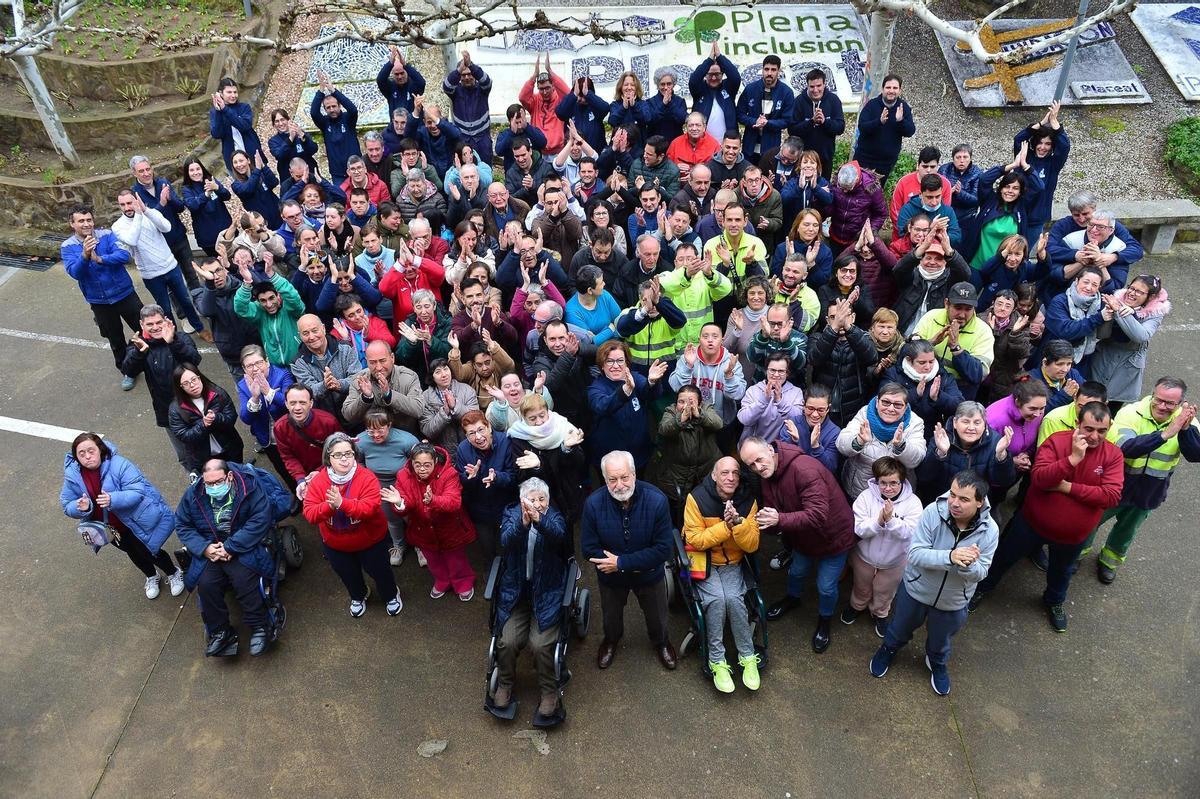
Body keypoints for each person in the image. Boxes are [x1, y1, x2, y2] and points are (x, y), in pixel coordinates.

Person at [969, 403, 1123, 632]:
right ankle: (983, 587)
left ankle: (1054, 601)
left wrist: (1066, 487)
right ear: (1077, 424)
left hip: (1073, 535)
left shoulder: (1113, 455)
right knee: (1003, 558)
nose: (1094, 436)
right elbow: (1040, 478)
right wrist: (1072, 460)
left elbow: (1111, 496)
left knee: (1062, 571)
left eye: (1101, 431)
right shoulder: (1057, 441)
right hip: (1031, 524)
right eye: (1089, 429)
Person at [869, 471, 997, 695]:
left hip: (953, 601)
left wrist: (967, 564)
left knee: (941, 640)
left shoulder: (990, 531)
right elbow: (915, 554)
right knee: (898, 628)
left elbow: (982, 572)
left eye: (964, 499)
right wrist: (951, 557)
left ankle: (936, 662)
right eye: (953, 495)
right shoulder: (932, 512)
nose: (954, 503)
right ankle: (888, 649)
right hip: (917, 591)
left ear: (980, 502)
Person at [741, 436, 856, 653]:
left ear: (769, 449)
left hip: (834, 537)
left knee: (825, 586)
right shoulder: (768, 473)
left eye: (759, 460)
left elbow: (818, 515)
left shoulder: (804, 469)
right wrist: (764, 522)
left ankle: (825, 621)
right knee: (796, 572)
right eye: (751, 465)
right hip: (803, 537)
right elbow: (775, 510)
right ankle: (793, 599)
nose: (758, 467)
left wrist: (779, 520)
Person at [1081, 377, 1200, 584]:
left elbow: (1195, 454)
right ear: (1153, 395)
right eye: (1159, 399)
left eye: (1170, 403)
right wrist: (1164, 434)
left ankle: (1109, 561)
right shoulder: (1131, 413)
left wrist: (1185, 430)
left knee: (1127, 531)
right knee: (1090, 522)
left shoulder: (1189, 421)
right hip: (1116, 485)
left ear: (1181, 404)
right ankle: (1078, 553)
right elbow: (1126, 448)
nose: (1162, 406)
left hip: (1149, 491)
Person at [582, 450, 676, 671]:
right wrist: (614, 566)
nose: (619, 484)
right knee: (610, 617)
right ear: (604, 480)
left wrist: (622, 563)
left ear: (634, 474)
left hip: (649, 575)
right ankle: (611, 641)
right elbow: (588, 549)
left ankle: (661, 643)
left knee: (658, 617)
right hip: (610, 577)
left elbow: (663, 549)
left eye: (624, 477)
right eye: (612, 479)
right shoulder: (593, 504)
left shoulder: (657, 500)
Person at [61, 433, 183, 600]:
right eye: (81, 454)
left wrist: (113, 499)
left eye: (91, 451)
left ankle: (173, 572)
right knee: (131, 552)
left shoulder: (119, 465)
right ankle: (151, 576)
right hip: (110, 528)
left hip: (133, 521)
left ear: (100, 449)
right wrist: (80, 507)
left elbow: (138, 491)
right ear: (76, 457)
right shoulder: (73, 476)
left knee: (148, 551)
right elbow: (67, 503)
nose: (87, 456)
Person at [175, 458, 277, 657]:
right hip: (211, 547)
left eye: (217, 482)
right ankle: (221, 631)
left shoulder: (250, 489)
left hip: (242, 545)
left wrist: (231, 546)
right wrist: (205, 548)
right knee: (205, 584)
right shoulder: (193, 494)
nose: (212, 487)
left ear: (229, 476)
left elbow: (260, 519)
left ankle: (259, 625)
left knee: (244, 580)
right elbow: (183, 525)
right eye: (208, 484)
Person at [491, 476, 572, 718]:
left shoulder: (554, 517)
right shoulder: (510, 514)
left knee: (540, 645)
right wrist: (524, 523)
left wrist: (541, 521)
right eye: (531, 499)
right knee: (507, 641)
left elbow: (560, 537)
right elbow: (505, 542)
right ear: (521, 500)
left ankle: (549, 692)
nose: (537, 504)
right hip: (516, 591)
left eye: (541, 499)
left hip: (547, 592)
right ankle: (505, 683)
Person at [682, 456, 763, 692]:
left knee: (735, 600)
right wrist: (725, 527)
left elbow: (753, 544)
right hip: (704, 561)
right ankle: (717, 659)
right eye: (724, 473)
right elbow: (695, 540)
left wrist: (738, 522)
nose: (730, 478)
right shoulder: (696, 498)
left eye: (735, 473)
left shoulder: (748, 501)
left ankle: (747, 657)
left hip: (734, 562)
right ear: (714, 476)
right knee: (717, 600)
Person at [301, 432, 403, 618]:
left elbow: (370, 508)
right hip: (335, 544)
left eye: (348, 453)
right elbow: (310, 514)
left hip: (370, 541)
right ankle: (359, 595)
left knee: (380, 571)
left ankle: (390, 595)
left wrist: (342, 504)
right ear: (328, 457)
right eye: (337, 455)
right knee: (348, 574)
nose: (344, 459)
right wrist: (329, 506)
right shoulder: (319, 481)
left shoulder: (367, 477)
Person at [62, 204, 145, 388]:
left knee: (145, 328)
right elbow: (75, 273)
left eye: (89, 220)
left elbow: (124, 255)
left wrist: (100, 259)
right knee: (115, 340)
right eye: (81, 221)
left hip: (124, 294)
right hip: (99, 302)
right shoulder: (67, 247)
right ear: (72, 224)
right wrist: (84, 256)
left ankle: (159, 360)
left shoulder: (106, 235)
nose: (86, 224)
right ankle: (128, 371)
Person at [387, 442, 478, 600]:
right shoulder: (403, 475)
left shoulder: (449, 473)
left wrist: (433, 500)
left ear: (435, 461)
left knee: (455, 558)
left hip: (450, 527)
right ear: (411, 462)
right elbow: (406, 503)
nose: (422, 469)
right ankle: (442, 580)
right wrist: (399, 502)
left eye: (427, 465)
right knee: (432, 559)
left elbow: (453, 502)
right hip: (421, 528)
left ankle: (463, 581)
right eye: (418, 464)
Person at [112, 189, 208, 339]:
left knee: (186, 301)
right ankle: (173, 337)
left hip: (171, 268)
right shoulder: (118, 226)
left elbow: (167, 227)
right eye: (122, 204)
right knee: (164, 310)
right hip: (151, 276)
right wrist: (138, 215)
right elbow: (132, 239)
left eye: (130, 203)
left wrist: (146, 211)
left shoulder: (150, 213)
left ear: (136, 201)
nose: (126, 208)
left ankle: (200, 328)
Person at [846, 456, 923, 637]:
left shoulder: (913, 503)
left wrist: (891, 521)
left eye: (894, 483)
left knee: (885, 591)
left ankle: (880, 613)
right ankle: (857, 606)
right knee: (861, 586)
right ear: (876, 480)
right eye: (883, 483)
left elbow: (911, 533)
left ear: (903, 481)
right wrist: (879, 521)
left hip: (895, 561)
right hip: (864, 556)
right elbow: (858, 528)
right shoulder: (865, 498)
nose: (888, 488)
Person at [122, 305, 203, 470]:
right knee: (184, 456)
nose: (155, 327)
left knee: (209, 446)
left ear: (166, 321)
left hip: (195, 404)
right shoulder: (138, 346)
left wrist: (172, 342)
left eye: (159, 322)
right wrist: (139, 353)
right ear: (141, 324)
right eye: (150, 324)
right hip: (166, 409)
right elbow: (128, 370)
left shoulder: (180, 338)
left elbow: (194, 360)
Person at [1090, 275, 1170, 409]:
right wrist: (1108, 315)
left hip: (1126, 368)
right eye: (1131, 288)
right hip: (1103, 361)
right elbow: (1102, 335)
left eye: (1139, 292)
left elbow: (1141, 336)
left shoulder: (1155, 312)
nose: (1132, 293)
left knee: (1111, 410)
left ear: (1150, 297)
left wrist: (1121, 312)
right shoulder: (1116, 300)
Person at [507, 392, 588, 524]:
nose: (539, 422)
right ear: (524, 418)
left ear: (548, 412)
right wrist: (537, 467)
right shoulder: (518, 438)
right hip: (540, 502)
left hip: (568, 493)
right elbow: (520, 476)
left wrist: (567, 450)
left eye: (542, 416)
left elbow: (580, 462)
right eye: (532, 419)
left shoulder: (562, 427)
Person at [836, 382, 927, 500]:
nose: (890, 408)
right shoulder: (865, 413)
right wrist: (859, 441)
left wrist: (901, 445)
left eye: (898, 405)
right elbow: (841, 443)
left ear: (905, 407)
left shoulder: (915, 423)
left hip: (897, 494)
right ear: (877, 402)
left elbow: (916, 459)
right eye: (886, 402)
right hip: (861, 490)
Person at [587, 340, 667, 469]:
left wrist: (652, 381)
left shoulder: (634, 377)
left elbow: (651, 394)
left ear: (627, 363)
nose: (615, 365)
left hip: (639, 455)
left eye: (620, 360)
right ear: (602, 365)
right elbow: (602, 406)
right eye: (609, 361)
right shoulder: (596, 388)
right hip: (610, 460)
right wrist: (624, 391)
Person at [961, 146, 1043, 268]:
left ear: (1020, 192)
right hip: (977, 264)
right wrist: (1013, 165)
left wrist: (1025, 165)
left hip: (1004, 268)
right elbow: (984, 179)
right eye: (1007, 186)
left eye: (1015, 188)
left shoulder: (1022, 206)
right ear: (1001, 188)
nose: (1010, 191)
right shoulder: (990, 200)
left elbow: (1039, 187)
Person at [355, 408, 419, 566]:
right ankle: (398, 545)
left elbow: (418, 462)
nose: (375, 435)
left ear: (389, 425)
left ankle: (420, 544)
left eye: (380, 430)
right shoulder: (360, 441)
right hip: (379, 485)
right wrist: (370, 481)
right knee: (390, 517)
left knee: (412, 516)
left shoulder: (406, 440)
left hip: (404, 483)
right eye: (371, 431)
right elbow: (358, 462)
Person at [912, 281, 996, 401]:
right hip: (923, 385)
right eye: (957, 308)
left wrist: (956, 349)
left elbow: (978, 375)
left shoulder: (983, 331)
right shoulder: (931, 317)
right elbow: (907, 352)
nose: (962, 315)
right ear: (946, 304)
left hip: (959, 393)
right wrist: (930, 344)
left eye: (968, 309)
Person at [919, 401, 1016, 503]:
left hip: (976, 503)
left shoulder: (995, 442)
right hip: (941, 500)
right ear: (955, 423)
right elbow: (924, 476)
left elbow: (1004, 481)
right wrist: (940, 453)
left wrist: (1001, 456)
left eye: (977, 423)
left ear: (984, 424)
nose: (971, 428)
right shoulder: (941, 438)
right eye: (965, 422)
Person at [654, 385, 724, 525]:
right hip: (677, 474)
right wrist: (680, 419)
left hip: (705, 471)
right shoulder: (671, 412)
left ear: (699, 403)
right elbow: (664, 429)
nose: (685, 405)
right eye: (681, 402)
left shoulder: (706, 409)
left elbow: (718, 424)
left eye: (691, 401)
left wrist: (700, 416)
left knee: (704, 507)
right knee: (677, 511)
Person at [129, 155, 200, 289]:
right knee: (172, 283)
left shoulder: (163, 183)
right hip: (160, 245)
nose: (146, 173)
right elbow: (146, 222)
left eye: (148, 169)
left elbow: (180, 208)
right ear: (134, 173)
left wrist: (170, 199)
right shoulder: (135, 194)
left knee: (192, 273)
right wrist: (161, 203)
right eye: (141, 171)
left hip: (179, 238)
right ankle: (181, 309)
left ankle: (201, 303)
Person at [808, 294, 879, 428]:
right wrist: (833, 329)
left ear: (853, 317)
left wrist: (848, 328)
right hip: (823, 405)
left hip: (853, 404)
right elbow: (814, 359)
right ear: (827, 320)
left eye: (844, 316)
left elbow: (871, 358)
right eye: (833, 317)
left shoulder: (863, 336)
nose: (839, 320)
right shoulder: (817, 338)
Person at [455, 411, 518, 563]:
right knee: (487, 547)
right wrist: (471, 477)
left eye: (480, 430)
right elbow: (461, 482)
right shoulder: (463, 450)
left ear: (489, 427)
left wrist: (497, 477)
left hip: (506, 505)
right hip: (480, 508)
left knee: (511, 545)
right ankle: (491, 570)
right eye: (471, 433)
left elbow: (514, 477)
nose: (478, 437)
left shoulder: (505, 442)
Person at [236, 344, 296, 490]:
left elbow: (291, 404)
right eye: (249, 366)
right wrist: (255, 398)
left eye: (258, 363)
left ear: (267, 361)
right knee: (281, 468)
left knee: (299, 464)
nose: (255, 369)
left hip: (291, 432)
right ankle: (295, 494)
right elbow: (246, 418)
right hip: (267, 437)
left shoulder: (283, 375)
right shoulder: (243, 385)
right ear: (244, 369)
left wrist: (269, 392)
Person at [168, 364, 244, 476]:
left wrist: (216, 418)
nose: (192, 385)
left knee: (238, 478)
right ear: (180, 387)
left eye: (194, 379)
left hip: (230, 449)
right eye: (186, 383)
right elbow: (183, 436)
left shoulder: (218, 394)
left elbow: (231, 418)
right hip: (202, 458)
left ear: (199, 377)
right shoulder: (175, 409)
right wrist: (203, 425)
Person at [232, 255, 306, 366]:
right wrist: (247, 282)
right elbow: (240, 308)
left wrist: (271, 273)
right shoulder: (259, 312)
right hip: (276, 367)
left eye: (272, 298)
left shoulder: (290, 308)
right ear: (258, 301)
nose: (269, 304)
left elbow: (293, 297)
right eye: (263, 300)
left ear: (278, 295)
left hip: (300, 364)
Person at [1013, 101, 1070, 244]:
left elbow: (1065, 146)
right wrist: (1042, 122)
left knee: (1023, 253)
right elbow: (1019, 139)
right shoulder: (1025, 155)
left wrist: (1054, 122)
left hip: (1036, 219)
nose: (1043, 147)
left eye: (1048, 144)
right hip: (1015, 215)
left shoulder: (1053, 163)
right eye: (1040, 142)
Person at [883, 338, 964, 438]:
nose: (928, 367)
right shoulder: (893, 374)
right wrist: (914, 394)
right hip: (898, 431)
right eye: (922, 363)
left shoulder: (943, 376)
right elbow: (883, 403)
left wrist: (938, 397)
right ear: (909, 360)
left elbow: (959, 407)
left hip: (932, 435)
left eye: (931, 362)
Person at [275, 384, 342, 500]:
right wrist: (300, 478)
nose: (297, 407)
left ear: (311, 403)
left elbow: (341, 451)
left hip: (332, 472)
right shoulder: (280, 427)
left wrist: (321, 471)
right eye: (292, 403)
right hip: (306, 478)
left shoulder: (329, 422)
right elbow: (288, 457)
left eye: (302, 402)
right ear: (286, 404)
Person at [1042, 267, 1112, 376]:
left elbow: (1104, 334)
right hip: (1054, 358)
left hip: (1083, 360)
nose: (1089, 287)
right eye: (1086, 282)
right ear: (1076, 281)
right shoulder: (1060, 301)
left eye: (1094, 285)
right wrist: (1098, 318)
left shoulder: (1100, 305)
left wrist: (1114, 311)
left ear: (1099, 287)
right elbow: (1066, 330)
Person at [290, 313, 361, 420]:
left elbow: (357, 379)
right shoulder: (298, 362)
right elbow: (307, 392)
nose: (311, 337)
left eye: (315, 331)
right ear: (300, 335)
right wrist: (325, 385)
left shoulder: (345, 348)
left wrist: (339, 384)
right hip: (323, 419)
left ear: (323, 328)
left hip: (353, 412)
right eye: (305, 333)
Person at [852, 74, 915, 182]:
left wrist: (901, 121)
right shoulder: (872, 105)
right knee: (856, 190)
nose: (891, 91)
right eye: (888, 87)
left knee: (876, 193)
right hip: (864, 159)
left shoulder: (903, 107)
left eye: (895, 88)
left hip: (886, 162)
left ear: (900, 90)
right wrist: (879, 122)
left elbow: (910, 131)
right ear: (882, 89)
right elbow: (862, 127)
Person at [979, 290, 1034, 405]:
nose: (1002, 308)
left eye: (1007, 306)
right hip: (982, 372)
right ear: (993, 303)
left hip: (1004, 377)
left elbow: (1021, 353)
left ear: (1014, 309)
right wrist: (989, 332)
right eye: (999, 304)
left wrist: (1015, 333)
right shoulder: (980, 320)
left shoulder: (1021, 324)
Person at [789, 68, 844, 180]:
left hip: (825, 158)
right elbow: (792, 130)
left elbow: (840, 127)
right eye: (812, 86)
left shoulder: (833, 100)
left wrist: (825, 122)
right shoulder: (799, 101)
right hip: (803, 158)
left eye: (819, 86)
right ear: (807, 86)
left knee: (823, 191)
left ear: (824, 84)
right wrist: (811, 122)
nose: (815, 90)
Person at [738, 351, 804, 445]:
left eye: (781, 371)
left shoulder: (796, 392)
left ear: (787, 373)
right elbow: (744, 419)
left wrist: (780, 401)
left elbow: (798, 420)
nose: (776, 375)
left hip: (782, 448)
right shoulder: (754, 390)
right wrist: (763, 401)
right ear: (766, 371)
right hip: (754, 446)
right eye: (772, 370)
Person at [309, 71, 361, 185]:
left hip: (355, 169)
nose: (332, 109)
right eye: (328, 107)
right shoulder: (324, 123)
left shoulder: (348, 119)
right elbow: (313, 112)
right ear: (325, 109)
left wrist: (334, 91)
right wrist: (321, 91)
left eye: (334, 106)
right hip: (337, 173)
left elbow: (353, 109)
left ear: (339, 106)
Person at [443, 50, 494, 163]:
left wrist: (471, 65)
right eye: (463, 75)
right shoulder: (455, 91)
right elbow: (446, 86)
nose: (466, 77)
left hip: (482, 139)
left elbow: (487, 82)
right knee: (464, 172)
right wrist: (458, 70)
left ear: (474, 75)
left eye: (469, 74)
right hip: (462, 140)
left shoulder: (482, 89)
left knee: (484, 170)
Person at [689, 38, 740, 144]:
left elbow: (735, 77)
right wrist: (709, 60)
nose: (713, 78)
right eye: (710, 75)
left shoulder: (728, 87)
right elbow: (693, 80)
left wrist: (720, 57)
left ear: (722, 74)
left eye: (717, 74)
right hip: (702, 144)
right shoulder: (699, 89)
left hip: (726, 144)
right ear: (705, 75)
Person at [179, 158, 233, 257]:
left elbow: (227, 196)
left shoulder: (211, 180)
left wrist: (217, 188)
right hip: (208, 237)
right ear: (187, 173)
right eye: (191, 170)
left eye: (198, 169)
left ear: (202, 169)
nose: (196, 173)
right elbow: (192, 206)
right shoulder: (186, 189)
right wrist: (206, 195)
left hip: (226, 230)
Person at [827, 162, 886, 251]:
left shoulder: (871, 188)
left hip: (857, 240)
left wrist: (870, 231)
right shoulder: (835, 181)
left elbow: (881, 214)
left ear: (857, 179)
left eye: (848, 188)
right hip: (835, 234)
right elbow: (829, 207)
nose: (845, 191)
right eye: (842, 188)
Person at [267, 109, 320, 176]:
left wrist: (303, 136)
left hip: (309, 172)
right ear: (274, 124)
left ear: (288, 120)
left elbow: (314, 149)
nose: (280, 123)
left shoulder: (301, 133)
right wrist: (290, 139)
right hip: (289, 177)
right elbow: (280, 155)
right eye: (277, 121)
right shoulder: (273, 141)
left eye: (282, 120)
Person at [938, 144, 982, 224]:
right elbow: (935, 193)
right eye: (958, 157)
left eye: (965, 157)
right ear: (953, 159)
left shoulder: (977, 173)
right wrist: (948, 192)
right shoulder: (944, 170)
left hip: (967, 215)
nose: (962, 161)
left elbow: (976, 200)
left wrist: (960, 193)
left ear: (970, 158)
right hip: (945, 213)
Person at [376, 44, 425, 115]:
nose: (400, 77)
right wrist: (390, 63)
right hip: (395, 124)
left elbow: (421, 82)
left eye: (402, 73)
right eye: (396, 74)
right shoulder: (390, 87)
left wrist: (405, 65)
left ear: (406, 72)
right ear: (392, 74)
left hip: (413, 124)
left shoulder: (414, 86)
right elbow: (380, 80)